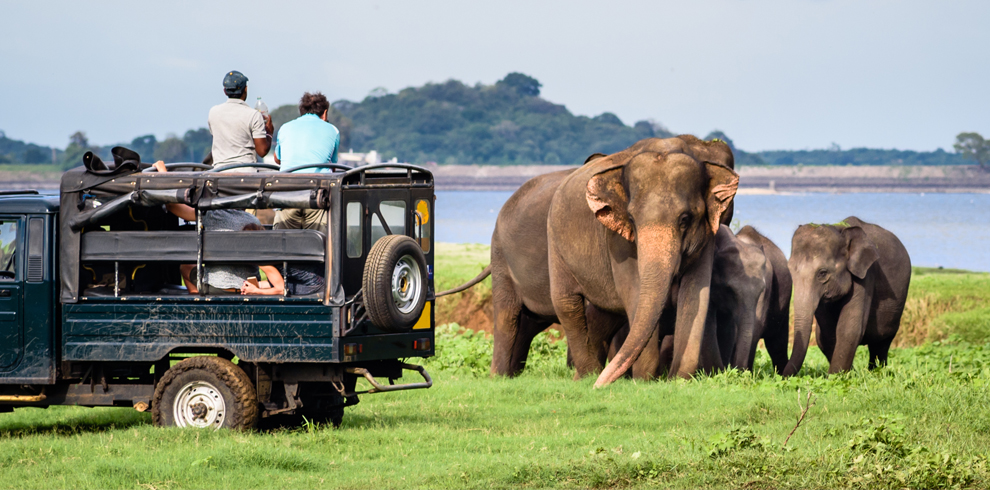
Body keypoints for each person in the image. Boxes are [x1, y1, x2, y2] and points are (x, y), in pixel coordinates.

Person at [153, 161, 277, 294]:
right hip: (247, 288)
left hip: (217, 288)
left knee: (186, 267)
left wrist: (162, 171)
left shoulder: (211, 215)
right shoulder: (253, 220)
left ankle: (198, 300)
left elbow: (173, 205)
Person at [271, 92, 340, 230]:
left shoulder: (285, 127)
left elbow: (278, 159)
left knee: (283, 246)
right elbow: (332, 166)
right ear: (325, 113)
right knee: (319, 246)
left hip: (286, 194)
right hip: (317, 196)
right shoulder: (333, 130)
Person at [207, 70, 275, 170]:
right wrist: (269, 133)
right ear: (245, 89)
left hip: (219, 173)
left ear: (225, 91)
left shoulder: (213, 112)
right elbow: (262, 151)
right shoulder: (253, 115)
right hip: (245, 175)